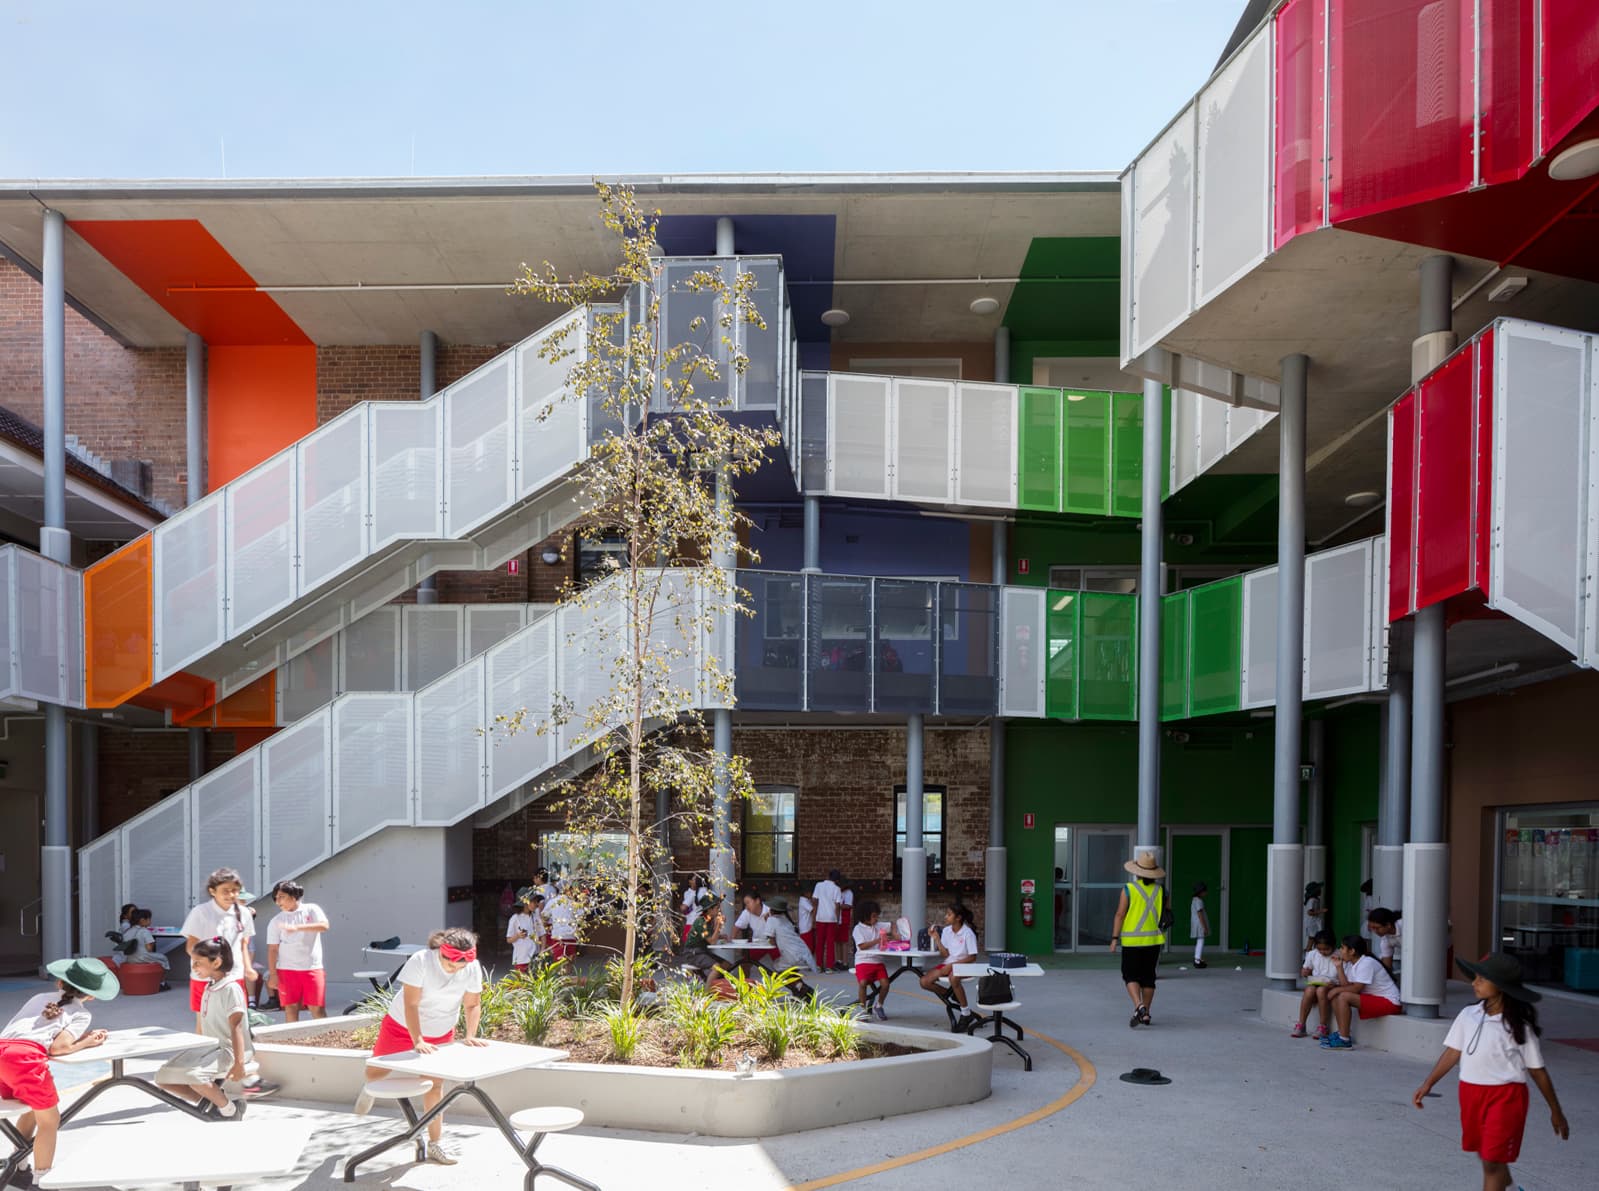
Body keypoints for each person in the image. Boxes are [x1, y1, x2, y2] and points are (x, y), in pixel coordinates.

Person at [1412, 954, 1569, 1191]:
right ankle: (1510, 1186)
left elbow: (1538, 1072)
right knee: (1486, 1153)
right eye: (1475, 978)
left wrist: (1556, 1111)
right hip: (1470, 1093)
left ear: (1502, 987)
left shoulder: (1518, 1027)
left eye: (1482, 979)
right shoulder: (1468, 1015)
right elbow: (1453, 1052)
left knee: (1492, 1163)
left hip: (1506, 1097)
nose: (1475, 983)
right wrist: (1428, 1083)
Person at [360, 927, 487, 1165]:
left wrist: (470, 1034)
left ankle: (435, 1143)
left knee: (434, 1085)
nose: (455, 970)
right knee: (376, 1072)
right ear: (441, 952)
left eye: (460, 967)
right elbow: (411, 1004)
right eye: (451, 965)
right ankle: (368, 1088)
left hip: (440, 1030)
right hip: (401, 1024)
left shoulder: (471, 967)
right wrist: (417, 1039)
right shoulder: (421, 960)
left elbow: (472, 1004)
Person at [0, 958, 115, 1186]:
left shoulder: (39, 998)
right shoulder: (81, 1013)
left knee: (34, 1109)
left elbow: (40, 1030)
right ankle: (42, 1181)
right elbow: (59, 1048)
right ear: (91, 995)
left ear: (60, 983)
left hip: (3, 1050)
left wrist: (82, 1038)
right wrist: (88, 1042)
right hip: (26, 1060)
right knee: (50, 1121)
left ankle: (19, 1165)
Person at [156, 937, 271, 1118]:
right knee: (163, 1077)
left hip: (228, 1050)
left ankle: (230, 1111)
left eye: (198, 963)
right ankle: (215, 1102)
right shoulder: (210, 987)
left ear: (216, 962)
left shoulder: (230, 988)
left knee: (195, 1078)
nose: (193, 967)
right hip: (209, 1048)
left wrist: (239, 1064)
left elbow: (237, 1028)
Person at [180, 868, 256, 1035]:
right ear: (212, 891)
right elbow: (191, 945)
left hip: (234, 976)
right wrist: (202, 966)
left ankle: (237, 1056)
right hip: (205, 978)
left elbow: (243, 944)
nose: (231, 895)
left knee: (235, 1021)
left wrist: (248, 968)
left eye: (235, 890)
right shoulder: (200, 912)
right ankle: (204, 1057)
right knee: (204, 1022)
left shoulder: (244, 913)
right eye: (225, 891)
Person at [1110, 850, 1166, 1028]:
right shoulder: (1161, 890)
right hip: (1153, 941)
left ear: (1137, 871)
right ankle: (1146, 1013)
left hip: (1132, 941)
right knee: (1149, 977)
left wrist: (1114, 939)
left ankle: (1138, 1005)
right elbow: (1165, 914)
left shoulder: (1129, 889)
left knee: (1130, 975)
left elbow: (1120, 914)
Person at [1321, 934, 1401, 1049]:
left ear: (1352, 951)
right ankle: (1341, 1033)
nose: (1340, 950)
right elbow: (1347, 985)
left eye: (1342, 948)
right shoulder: (1353, 963)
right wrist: (1339, 967)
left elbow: (1356, 988)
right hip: (1376, 999)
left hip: (1390, 1003)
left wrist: (1336, 990)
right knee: (1338, 995)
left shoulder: (1366, 962)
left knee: (1342, 996)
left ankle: (1344, 1039)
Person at [266, 880, 329, 1023]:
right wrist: (273, 974)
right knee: (290, 1008)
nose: (278, 901)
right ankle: (291, 1041)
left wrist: (298, 927)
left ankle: (325, 1040)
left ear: (293, 896)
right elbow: (273, 949)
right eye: (276, 898)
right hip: (286, 970)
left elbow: (324, 926)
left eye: (281, 896)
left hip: (312, 968)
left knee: (317, 1008)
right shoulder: (276, 921)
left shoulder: (311, 909)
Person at [920, 903, 979, 1031]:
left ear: (958, 918)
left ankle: (965, 1014)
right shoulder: (946, 931)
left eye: (949, 914)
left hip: (966, 964)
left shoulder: (968, 933)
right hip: (949, 962)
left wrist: (953, 965)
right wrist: (936, 939)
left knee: (954, 978)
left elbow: (973, 957)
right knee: (924, 982)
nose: (945, 917)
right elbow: (945, 954)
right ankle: (952, 994)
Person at [1291, 930, 1340, 1038]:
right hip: (1316, 982)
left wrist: (1333, 983)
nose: (1322, 952)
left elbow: (1340, 977)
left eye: (1326, 949)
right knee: (1309, 990)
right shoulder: (1313, 954)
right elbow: (1306, 970)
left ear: (1333, 946)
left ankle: (1323, 1026)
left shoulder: (1339, 955)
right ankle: (1301, 1024)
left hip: (1332, 985)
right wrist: (1305, 972)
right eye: (1319, 949)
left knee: (1321, 990)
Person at [852, 901, 889, 1020]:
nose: (876, 918)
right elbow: (862, 946)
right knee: (863, 983)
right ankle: (862, 1010)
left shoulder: (878, 925)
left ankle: (879, 1005)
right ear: (865, 916)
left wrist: (894, 933)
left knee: (885, 984)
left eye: (877, 915)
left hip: (877, 961)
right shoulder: (857, 929)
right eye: (874, 916)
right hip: (863, 961)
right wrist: (878, 940)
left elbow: (892, 924)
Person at [765, 896, 820, 976]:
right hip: (804, 954)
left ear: (771, 910)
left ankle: (797, 985)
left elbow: (771, 941)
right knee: (787, 970)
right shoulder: (786, 920)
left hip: (793, 957)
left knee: (775, 966)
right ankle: (798, 985)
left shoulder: (771, 920)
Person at [119, 908, 171, 984]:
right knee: (163, 958)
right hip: (143, 958)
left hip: (130, 958)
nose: (150, 921)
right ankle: (161, 982)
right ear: (142, 920)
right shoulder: (144, 931)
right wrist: (153, 943)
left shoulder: (127, 931)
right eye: (149, 919)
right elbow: (149, 949)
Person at [810, 870, 843, 971]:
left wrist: (814, 918)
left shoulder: (819, 885)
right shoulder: (837, 889)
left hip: (820, 917)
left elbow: (815, 902)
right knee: (830, 943)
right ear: (837, 880)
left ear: (828, 876)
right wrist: (837, 920)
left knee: (819, 942)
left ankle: (819, 966)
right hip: (832, 918)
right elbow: (837, 906)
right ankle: (829, 967)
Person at [733, 890, 779, 961]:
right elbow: (737, 926)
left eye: (748, 903)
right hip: (758, 942)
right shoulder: (746, 912)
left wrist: (768, 920)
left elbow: (778, 929)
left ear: (757, 901)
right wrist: (731, 939)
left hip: (774, 942)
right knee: (745, 963)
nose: (746, 906)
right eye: (745, 904)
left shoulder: (769, 909)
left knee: (782, 966)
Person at [506, 893, 539, 973]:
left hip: (535, 956)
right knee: (522, 983)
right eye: (533, 902)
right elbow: (508, 939)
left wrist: (542, 951)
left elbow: (542, 934)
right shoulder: (515, 918)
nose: (536, 904)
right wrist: (518, 935)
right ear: (525, 903)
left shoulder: (535, 917)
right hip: (521, 957)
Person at [544, 886, 579, 960]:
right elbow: (580, 917)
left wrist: (546, 930)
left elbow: (544, 917)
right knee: (569, 961)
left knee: (558, 962)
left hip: (557, 935)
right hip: (570, 935)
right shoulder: (573, 903)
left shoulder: (552, 901)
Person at [1367, 906, 1402, 975]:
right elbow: (1387, 967)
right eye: (1372, 928)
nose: (1374, 931)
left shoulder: (1404, 924)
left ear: (1388, 925)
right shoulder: (1385, 940)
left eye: (1376, 928)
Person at [680, 876, 709, 943]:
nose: (691, 881)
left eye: (693, 880)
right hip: (704, 924)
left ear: (697, 882)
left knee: (690, 948)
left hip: (692, 924)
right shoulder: (708, 893)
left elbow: (683, 908)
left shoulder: (693, 894)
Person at [1190, 881, 1211, 969]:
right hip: (1200, 924)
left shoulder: (1194, 900)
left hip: (1197, 924)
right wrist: (1205, 927)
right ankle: (1197, 960)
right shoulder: (1199, 901)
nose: (1206, 893)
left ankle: (1197, 958)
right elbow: (1200, 915)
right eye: (1205, 891)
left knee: (1200, 941)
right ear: (1201, 892)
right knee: (1200, 941)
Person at [1302, 881, 1327, 948]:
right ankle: (1307, 954)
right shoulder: (1312, 900)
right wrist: (1321, 911)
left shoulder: (1316, 900)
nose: (1320, 890)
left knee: (1316, 938)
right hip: (1312, 923)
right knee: (1312, 938)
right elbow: (1309, 912)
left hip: (1315, 922)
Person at [838, 880, 856, 970]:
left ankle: (845, 962)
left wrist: (838, 906)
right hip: (838, 919)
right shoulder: (838, 892)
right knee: (837, 941)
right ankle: (839, 960)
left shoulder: (849, 893)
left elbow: (848, 905)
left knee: (844, 941)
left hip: (845, 918)